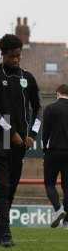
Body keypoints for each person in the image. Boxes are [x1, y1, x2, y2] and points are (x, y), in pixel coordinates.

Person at [0, 34, 42, 247]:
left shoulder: (28, 78)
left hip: (19, 145)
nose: (16, 60)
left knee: (12, 187)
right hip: (0, 140)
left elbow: (38, 109)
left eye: (18, 55)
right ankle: (6, 233)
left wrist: (32, 135)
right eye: (11, 56)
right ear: (3, 54)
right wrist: (11, 132)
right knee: (2, 186)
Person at [42, 84, 68, 228]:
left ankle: (58, 209)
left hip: (54, 151)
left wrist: (44, 147)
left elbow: (45, 132)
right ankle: (66, 221)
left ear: (58, 93)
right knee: (67, 186)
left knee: (50, 183)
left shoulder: (50, 108)